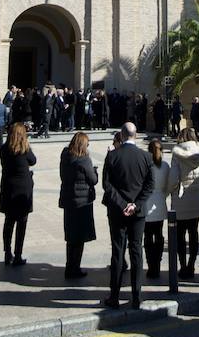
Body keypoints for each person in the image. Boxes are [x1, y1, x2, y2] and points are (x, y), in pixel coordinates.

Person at [101, 122, 153, 309]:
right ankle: (136, 296)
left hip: (117, 210)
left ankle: (114, 296)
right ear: (135, 135)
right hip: (137, 213)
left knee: (118, 251)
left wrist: (124, 204)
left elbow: (107, 185)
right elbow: (150, 186)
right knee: (136, 251)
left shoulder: (112, 156)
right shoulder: (146, 157)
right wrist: (135, 205)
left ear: (121, 136)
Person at [169, 128, 199, 280]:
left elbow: (173, 177)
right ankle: (192, 264)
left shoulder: (177, 153)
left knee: (180, 234)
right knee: (194, 232)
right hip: (196, 194)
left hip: (181, 196)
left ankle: (183, 264)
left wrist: (171, 189)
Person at [59, 132, 97, 279]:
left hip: (68, 199)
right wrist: (95, 171)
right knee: (80, 237)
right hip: (82, 201)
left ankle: (70, 265)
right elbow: (93, 179)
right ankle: (75, 267)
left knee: (70, 236)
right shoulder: (84, 160)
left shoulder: (66, 156)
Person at [0, 122, 36, 267]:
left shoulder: (4, 149)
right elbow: (33, 161)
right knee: (22, 223)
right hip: (23, 188)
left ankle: (7, 252)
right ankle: (18, 253)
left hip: (8, 187)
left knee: (9, 222)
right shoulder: (24, 149)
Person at [143, 138, 174, 279]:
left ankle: (151, 265)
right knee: (159, 234)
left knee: (148, 236)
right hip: (160, 202)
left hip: (147, 203)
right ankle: (158, 262)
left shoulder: (145, 165)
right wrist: (163, 194)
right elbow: (169, 184)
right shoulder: (165, 166)